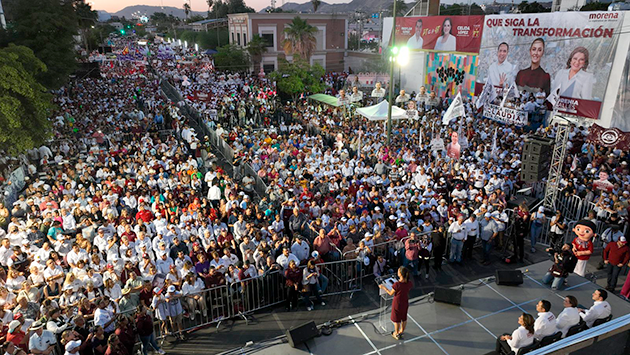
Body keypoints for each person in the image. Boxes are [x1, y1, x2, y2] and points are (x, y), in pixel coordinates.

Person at [379, 266, 412, 340]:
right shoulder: (409, 283)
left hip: (397, 303)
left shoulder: (397, 285)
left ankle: (396, 333)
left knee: (396, 319)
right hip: (405, 301)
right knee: (403, 317)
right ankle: (401, 331)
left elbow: (391, 293)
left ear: (400, 274)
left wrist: (383, 287)